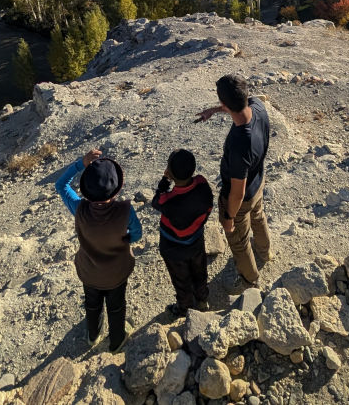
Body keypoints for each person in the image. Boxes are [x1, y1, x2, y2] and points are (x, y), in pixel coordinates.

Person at [54, 148, 142, 351]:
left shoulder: (79, 209)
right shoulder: (125, 211)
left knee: (92, 305)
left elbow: (60, 185)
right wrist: (125, 239)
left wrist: (80, 164)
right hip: (117, 272)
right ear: (117, 189)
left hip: (90, 272)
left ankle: (93, 335)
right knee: (117, 306)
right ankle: (117, 339)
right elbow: (137, 234)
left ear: (86, 189)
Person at [195, 74, 271, 288]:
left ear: (224, 102)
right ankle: (265, 252)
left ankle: (250, 280)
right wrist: (216, 110)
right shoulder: (258, 107)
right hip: (259, 181)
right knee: (259, 216)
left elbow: (237, 192)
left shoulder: (240, 144)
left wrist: (229, 217)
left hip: (241, 198)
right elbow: (238, 107)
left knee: (238, 240)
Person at [151, 148, 214, 317]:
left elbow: (156, 201)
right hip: (195, 241)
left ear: (170, 174)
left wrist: (164, 181)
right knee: (200, 271)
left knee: (181, 280)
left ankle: (184, 307)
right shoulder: (202, 184)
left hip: (173, 248)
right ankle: (202, 299)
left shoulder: (168, 201)